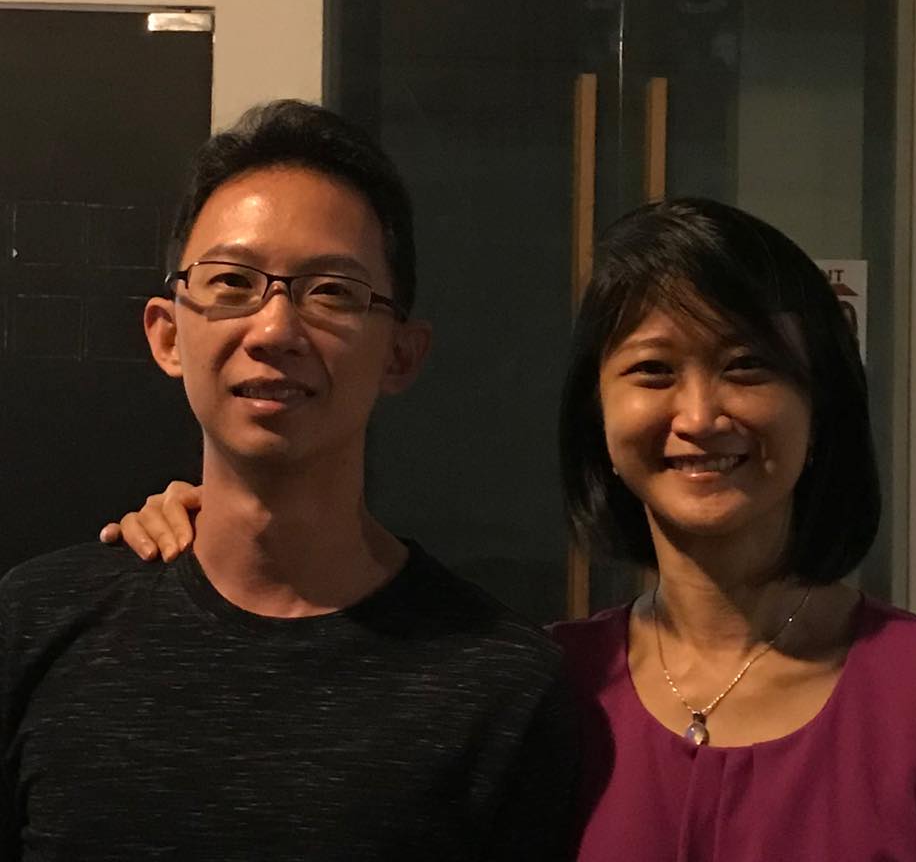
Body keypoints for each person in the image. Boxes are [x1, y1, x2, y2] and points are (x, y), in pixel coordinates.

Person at [108, 197, 916, 860]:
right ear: (599, 418)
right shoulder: (536, 687)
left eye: (747, 367)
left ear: (821, 405)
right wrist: (221, 536)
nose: (701, 415)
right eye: (654, 370)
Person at [0, 100, 577, 861]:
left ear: (401, 354)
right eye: (232, 283)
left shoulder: (500, 685)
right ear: (167, 335)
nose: (274, 330)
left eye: (331, 291)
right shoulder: (34, 624)